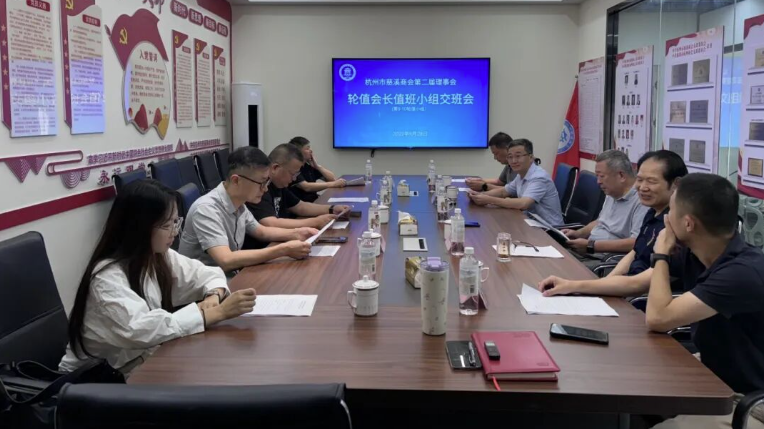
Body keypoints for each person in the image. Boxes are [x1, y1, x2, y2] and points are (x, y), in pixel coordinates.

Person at [60, 180, 257, 375]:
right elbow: (140, 330)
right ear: (139, 227)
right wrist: (216, 313)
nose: (174, 232)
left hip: (137, 364)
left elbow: (205, 273)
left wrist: (213, 295)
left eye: (175, 222)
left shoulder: (156, 256)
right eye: (166, 225)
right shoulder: (106, 278)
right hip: (90, 381)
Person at [648, 173, 764, 429]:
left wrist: (661, 254)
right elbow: (640, 282)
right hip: (718, 376)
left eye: (671, 211)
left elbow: (658, 318)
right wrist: (573, 286)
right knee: (639, 386)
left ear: (688, 223)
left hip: (751, 402)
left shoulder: (742, 273)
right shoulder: (700, 252)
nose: (666, 218)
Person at [537, 150, 688, 297]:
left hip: (640, 297)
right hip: (625, 284)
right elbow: (634, 252)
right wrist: (607, 281)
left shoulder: (677, 227)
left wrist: (577, 286)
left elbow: (639, 284)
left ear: (676, 184)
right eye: (640, 180)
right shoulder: (653, 211)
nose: (642, 187)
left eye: (651, 181)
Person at [179, 147, 317, 274]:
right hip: (204, 287)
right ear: (236, 180)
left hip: (227, 277)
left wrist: (298, 233)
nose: (265, 189)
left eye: (267, 182)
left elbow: (261, 232)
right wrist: (283, 250)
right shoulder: (206, 209)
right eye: (261, 183)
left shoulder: (239, 203)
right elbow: (226, 260)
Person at [564, 150, 649, 268]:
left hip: (606, 260)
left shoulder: (642, 201)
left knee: (561, 268)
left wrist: (592, 246)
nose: (598, 181)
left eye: (602, 176)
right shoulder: (612, 192)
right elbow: (601, 221)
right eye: (597, 176)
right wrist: (578, 233)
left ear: (621, 176)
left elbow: (635, 242)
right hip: (589, 251)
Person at [247, 143, 351, 231]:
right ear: (275, 168)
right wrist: (315, 222)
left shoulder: (279, 186)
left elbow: (301, 207)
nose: (293, 179)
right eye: (292, 174)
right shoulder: (260, 188)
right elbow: (270, 223)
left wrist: (332, 208)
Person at [468, 139, 564, 226]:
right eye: (510, 157)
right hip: (530, 222)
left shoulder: (539, 177)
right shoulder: (521, 174)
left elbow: (523, 203)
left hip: (550, 230)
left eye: (518, 156)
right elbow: (503, 192)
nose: (513, 161)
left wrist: (489, 199)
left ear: (531, 157)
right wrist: (479, 195)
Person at [288, 136, 346, 202]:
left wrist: (317, 166)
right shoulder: (293, 168)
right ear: (298, 152)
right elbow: (306, 187)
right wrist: (333, 184)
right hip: (302, 204)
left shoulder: (308, 166)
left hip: (314, 201)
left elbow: (331, 179)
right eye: (307, 148)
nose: (311, 151)